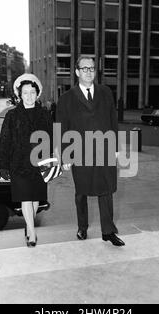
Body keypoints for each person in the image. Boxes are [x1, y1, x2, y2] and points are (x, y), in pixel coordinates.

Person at [57, 56, 125, 247]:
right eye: (84, 68)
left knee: (107, 190)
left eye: (92, 68)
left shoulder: (105, 93)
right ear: (77, 72)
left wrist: (116, 148)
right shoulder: (66, 99)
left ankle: (108, 231)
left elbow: (113, 120)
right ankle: (82, 226)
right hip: (79, 151)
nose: (89, 72)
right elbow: (61, 128)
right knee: (82, 192)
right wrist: (65, 154)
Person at [0, 74, 53, 248]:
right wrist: (3, 165)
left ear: (37, 94)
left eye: (32, 92)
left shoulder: (45, 114)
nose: (29, 96)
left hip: (39, 162)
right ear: (20, 95)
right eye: (25, 92)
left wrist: (53, 159)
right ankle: (32, 233)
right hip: (18, 162)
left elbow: (51, 138)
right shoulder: (12, 116)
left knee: (35, 198)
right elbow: (5, 139)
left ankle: (29, 226)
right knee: (26, 197)